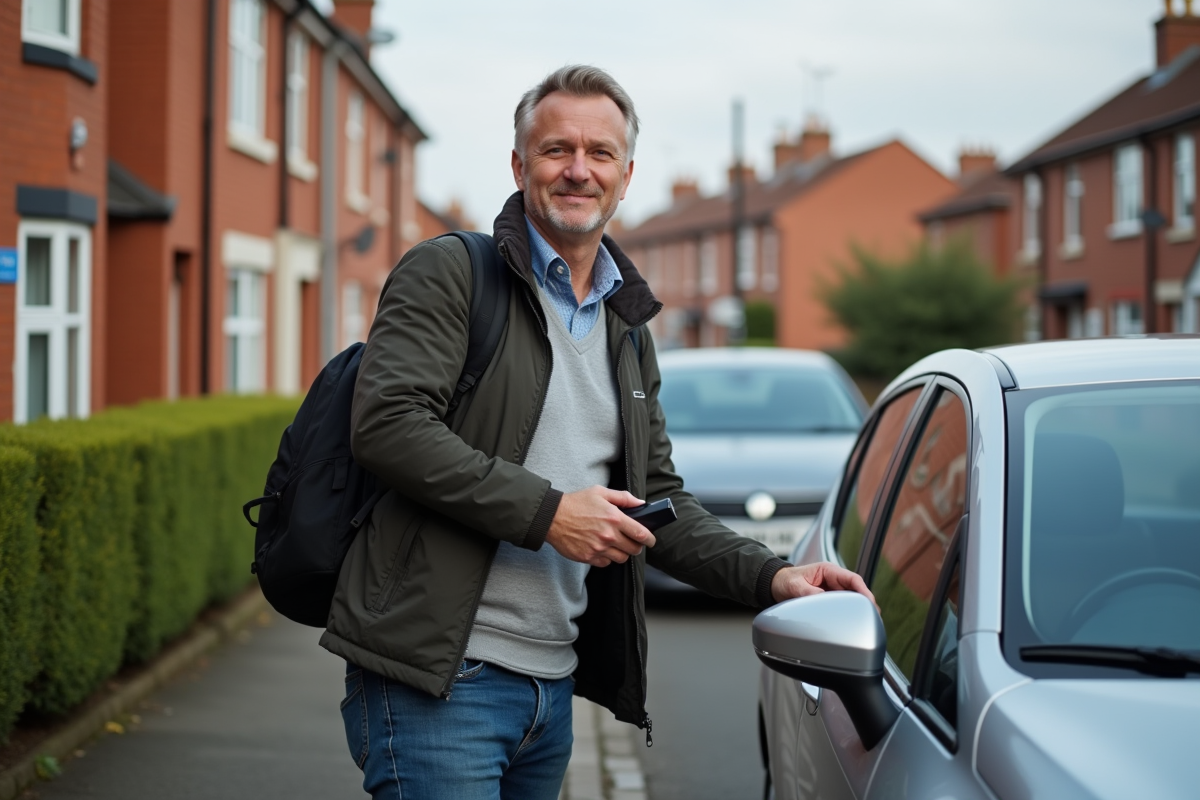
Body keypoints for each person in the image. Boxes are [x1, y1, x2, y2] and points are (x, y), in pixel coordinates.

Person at [320, 65, 874, 800]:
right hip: (441, 680)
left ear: (626, 175)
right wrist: (550, 513)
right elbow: (388, 426)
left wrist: (775, 579)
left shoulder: (626, 326)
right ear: (520, 166)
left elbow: (659, 501)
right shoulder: (450, 274)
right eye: (557, 150)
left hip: (552, 689)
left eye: (600, 154)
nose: (578, 170)